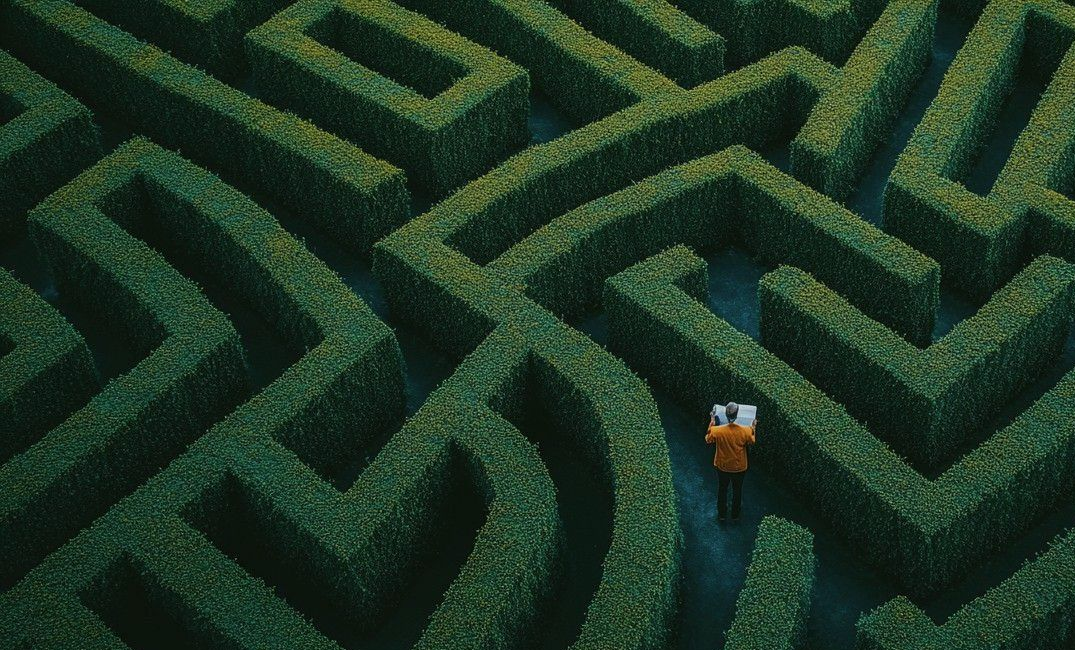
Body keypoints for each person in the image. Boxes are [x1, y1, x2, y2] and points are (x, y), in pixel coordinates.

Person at [704, 402, 757, 522]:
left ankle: (722, 514)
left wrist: (712, 420)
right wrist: (754, 426)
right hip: (739, 467)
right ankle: (735, 515)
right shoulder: (746, 430)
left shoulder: (717, 431)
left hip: (722, 466)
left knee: (722, 490)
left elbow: (708, 439)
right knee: (737, 491)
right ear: (737, 414)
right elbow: (752, 441)